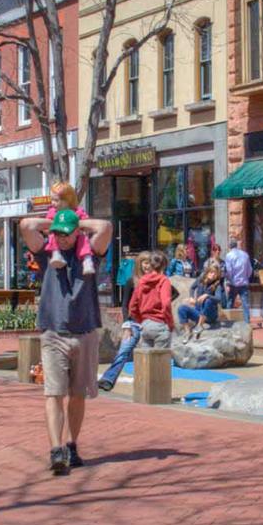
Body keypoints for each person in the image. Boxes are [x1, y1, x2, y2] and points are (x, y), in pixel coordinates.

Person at [19, 207, 113, 476]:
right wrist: (56, 221)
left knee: (77, 395)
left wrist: (77, 222)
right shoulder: (46, 252)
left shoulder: (91, 254)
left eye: (65, 233)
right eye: (57, 233)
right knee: (53, 392)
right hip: (53, 332)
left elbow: (105, 227)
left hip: (84, 332)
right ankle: (56, 449)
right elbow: (27, 225)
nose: (60, 237)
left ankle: (71, 445)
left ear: (77, 233)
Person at [99, 251, 174, 392]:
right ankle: (108, 378)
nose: (147, 266)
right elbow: (127, 304)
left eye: (149, 263)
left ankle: (149, 389)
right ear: (139, 264)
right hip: (135, 322)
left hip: (148, 321)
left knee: (151, 355)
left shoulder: (160, 280)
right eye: (144, 263)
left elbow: (170, 295)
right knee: (125, 350)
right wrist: (128, 324)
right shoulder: (133, 281)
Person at [43, 181, 96, 277]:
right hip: (59, 241)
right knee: (53, 235)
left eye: (56, 200)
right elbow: (46, 227)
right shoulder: (52, 212)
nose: (53, 203)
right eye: (52, 200)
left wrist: (80, 227)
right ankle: (56, 253)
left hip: (75, 237)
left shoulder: (77, 211)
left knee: (83, 238)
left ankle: (87, 259)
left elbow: (87, 223)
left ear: (67, 200)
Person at [177, 260, 225, 336]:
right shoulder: (200, 280)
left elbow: (219, 299)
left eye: (215, 274)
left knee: (208, 301)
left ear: (217, 276)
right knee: (181, 308)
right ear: (207, 272)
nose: (213, 275)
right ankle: (187, 331)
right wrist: (192, 297)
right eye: (211, 272)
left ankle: (199, 325)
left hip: (210, 316)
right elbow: (192, 288)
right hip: (198, 311)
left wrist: (207, 295)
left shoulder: (217, 285)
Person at [222, 238, 252, 315]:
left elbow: (229, 271)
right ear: (236, 245)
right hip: (244, 283)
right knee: (245, 304)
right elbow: (250, 270)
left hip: (233, 283)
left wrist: (229, 281)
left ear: (229, 246)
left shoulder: (229, 255)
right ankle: (247, 322)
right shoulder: (245, 254)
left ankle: (229, 321)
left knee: (230, 303)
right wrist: (245, 278)